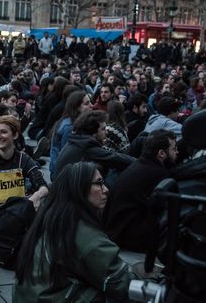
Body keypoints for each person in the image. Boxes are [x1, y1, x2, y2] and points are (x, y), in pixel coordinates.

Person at [13, 161, 130, 302]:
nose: (105, 189)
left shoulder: (52, 215)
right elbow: (119, 280)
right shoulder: (83, 233)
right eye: (99, 183)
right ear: (80, 188)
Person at [103, 129, 177, 253]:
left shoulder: (139, 165)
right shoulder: (160, 174)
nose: (177, 152)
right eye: (174, 149)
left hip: (115, 231)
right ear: (161, 154)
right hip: (128, 239)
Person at [54, 110, 134, 180]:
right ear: (93, 131)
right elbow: (114, 158)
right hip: (70, 192)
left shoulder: (78, 140)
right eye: (103, 129)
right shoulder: (86, 146)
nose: (106, 132)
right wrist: (139, 163)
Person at [49, 91, 92, 178]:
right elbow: (67, 157)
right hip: (61, 174)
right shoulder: (70, 127)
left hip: (61, 170)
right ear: (77, 108)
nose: (92, 105)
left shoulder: (71, 121)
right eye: (87, 103)